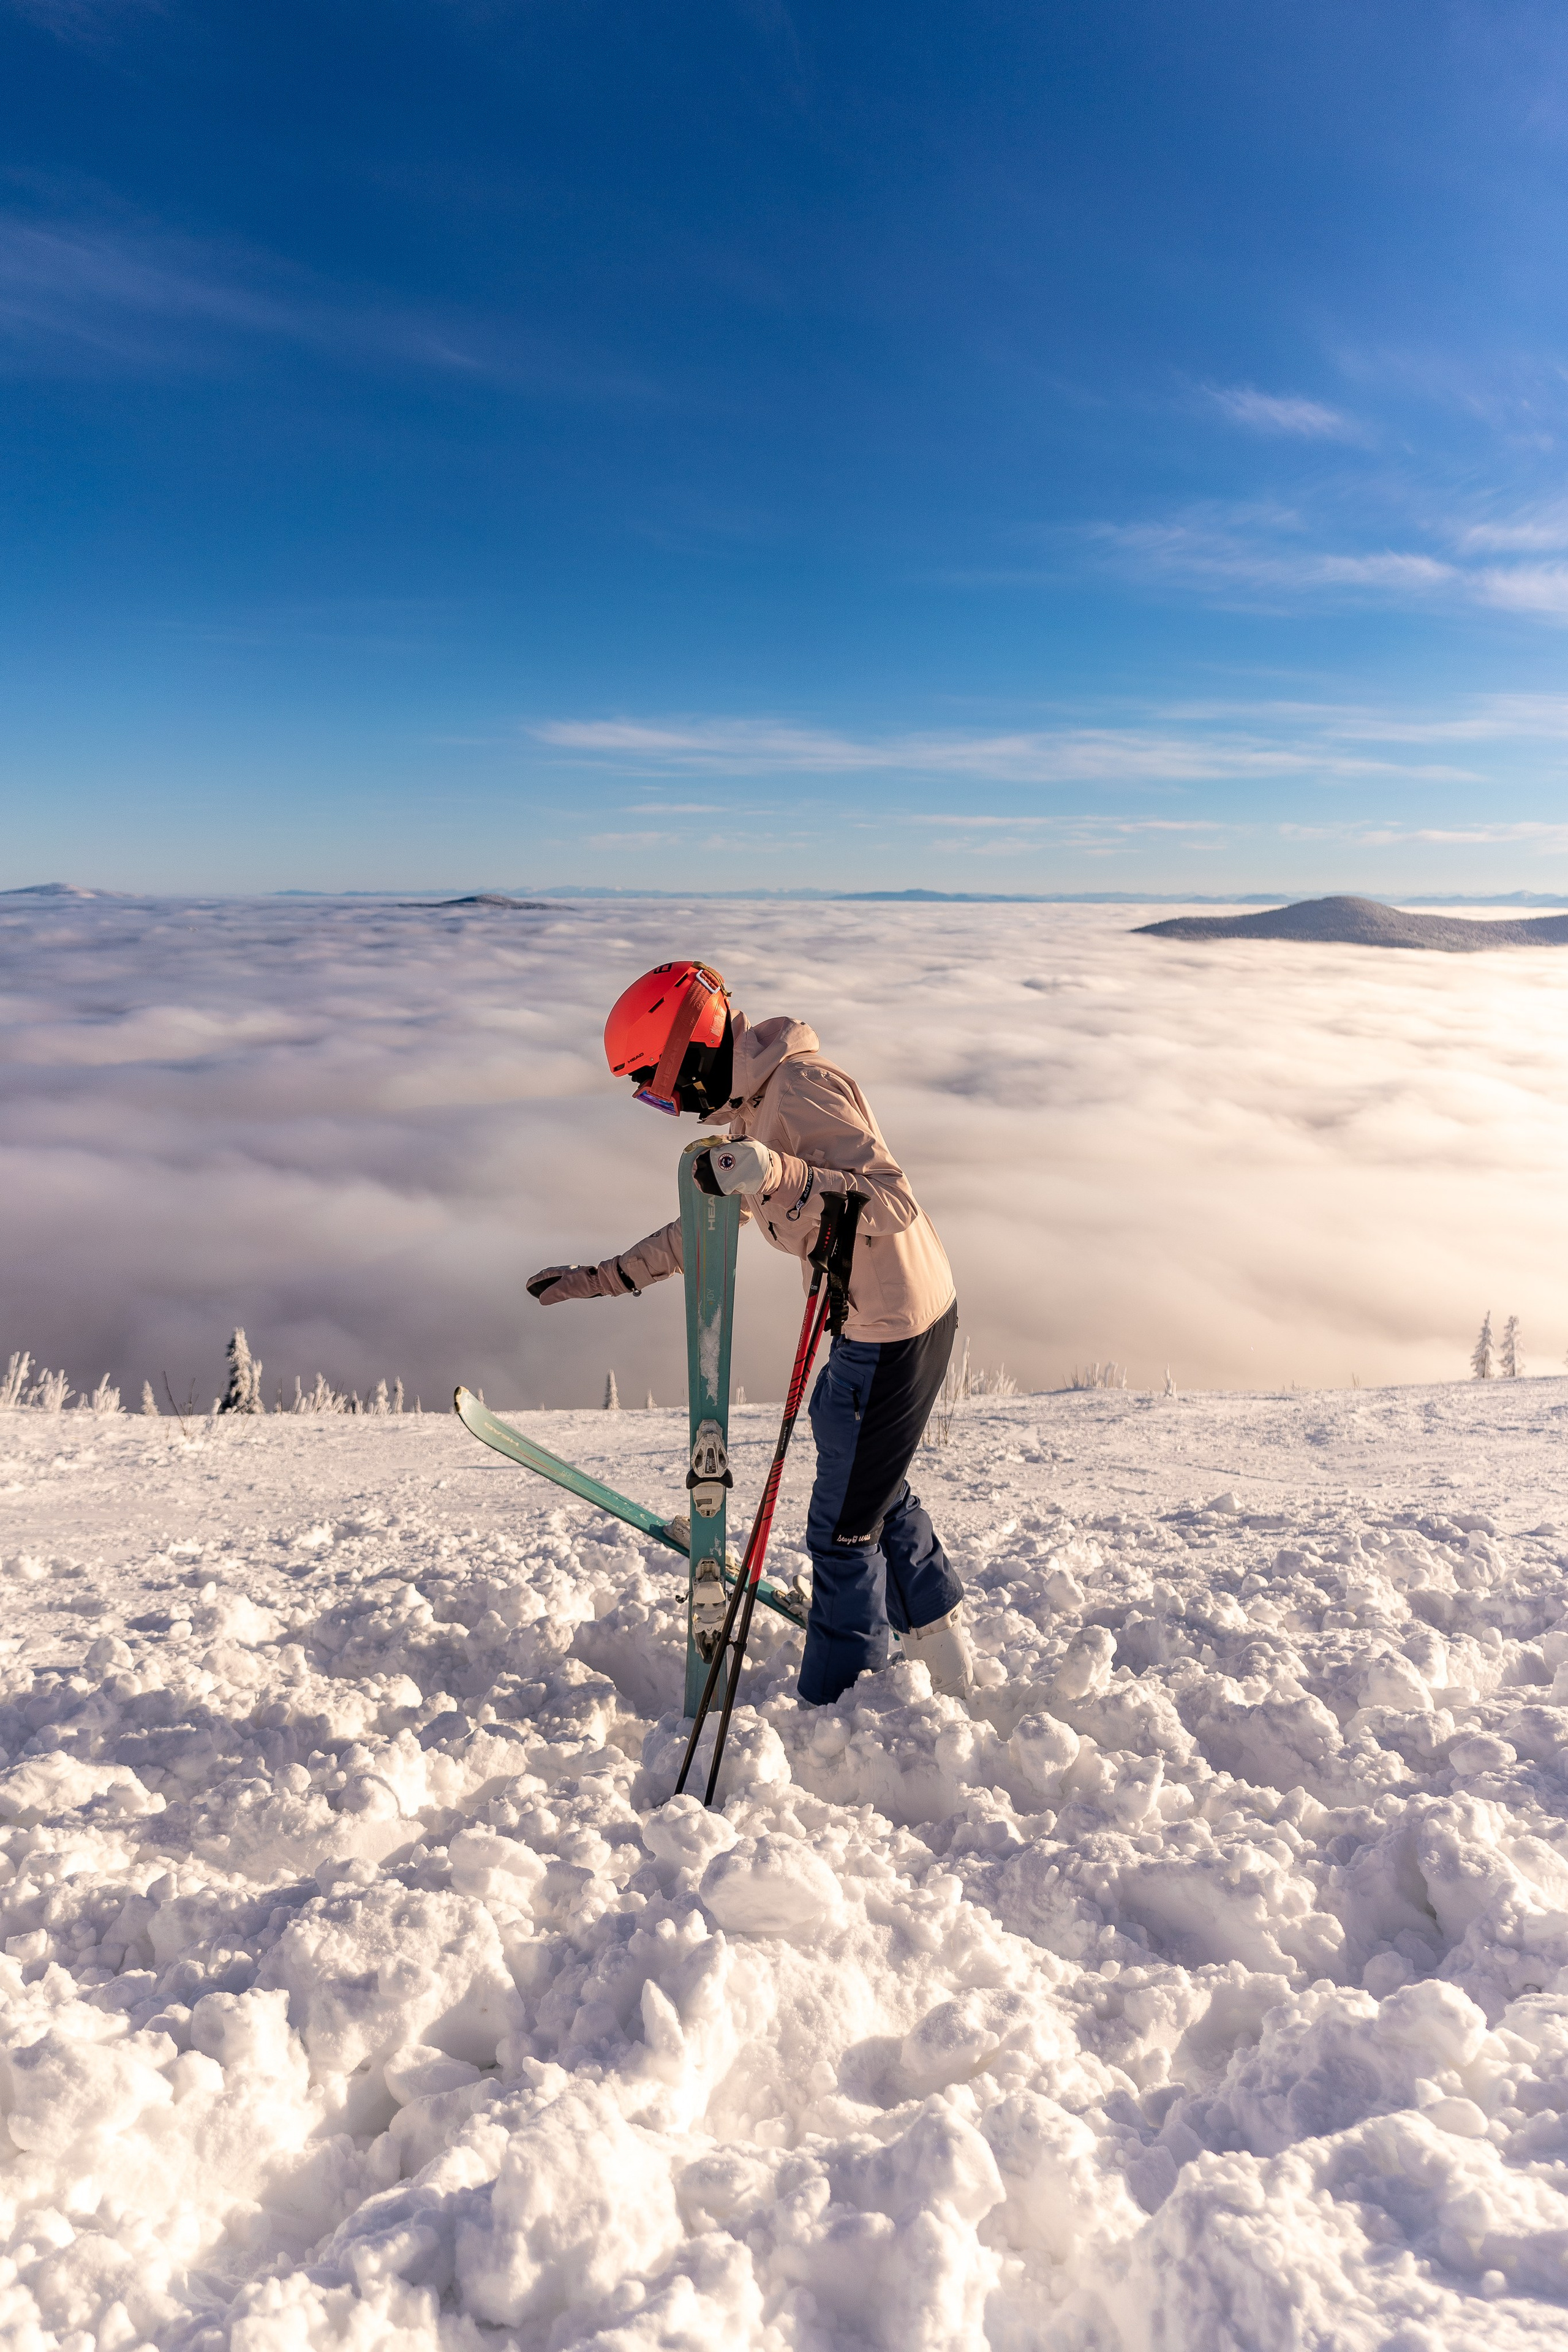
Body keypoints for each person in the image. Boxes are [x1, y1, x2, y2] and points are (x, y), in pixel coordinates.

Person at [526, 959, 973, 1706]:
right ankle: (939, 1641)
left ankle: (847, 1704)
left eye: (656, 1086)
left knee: (841, 1532)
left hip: (893, 1327)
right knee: (861, 1466)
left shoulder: (799, 1091)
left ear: (686, 1052)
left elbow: (891, 1200)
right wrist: (603, 1277)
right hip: (875, 1320)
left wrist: (775, 1173)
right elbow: (706, 1226)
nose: (665, 1103)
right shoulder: (754, 1109)